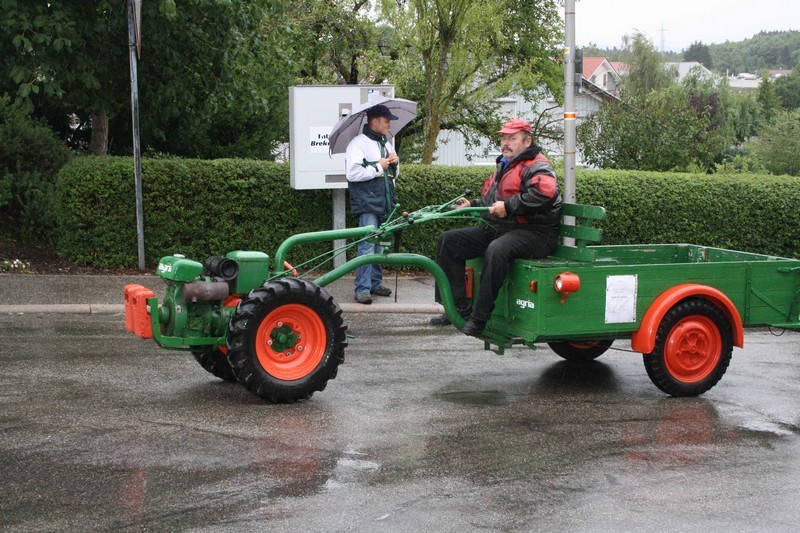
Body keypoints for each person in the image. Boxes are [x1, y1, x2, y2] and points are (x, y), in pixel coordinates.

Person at [430, 118, 562, 336]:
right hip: (504, 228)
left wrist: (508, 207)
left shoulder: (539, 165)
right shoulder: (505, 164)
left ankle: (479, 318)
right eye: (503, 138)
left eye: (512, 138)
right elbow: (493, 201)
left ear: (527, 141)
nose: (505, 143)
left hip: (537, 233)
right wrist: (472, 204)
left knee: (497, 249)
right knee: (449, 241)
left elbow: (543, 195)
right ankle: (457, 308)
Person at [345, 103, 401, 304]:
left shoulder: (387, 144)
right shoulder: (358, 144)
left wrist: (395, 163)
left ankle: (375, 284)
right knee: (367, 245)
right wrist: (379, 166)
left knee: (380, 245)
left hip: (385, 201)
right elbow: (352, 174)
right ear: (375, 121)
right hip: (367, 202)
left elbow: (394, 176)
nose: (389, 125)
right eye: (386, 121)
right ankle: (362, 289)